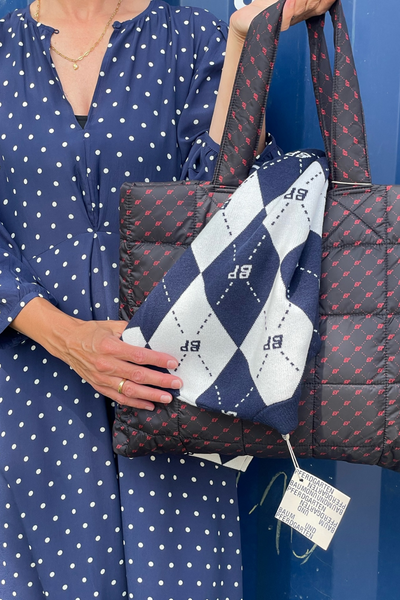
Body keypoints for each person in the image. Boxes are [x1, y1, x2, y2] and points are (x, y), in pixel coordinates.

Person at [0, 0, 335, 598]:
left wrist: (243, 42)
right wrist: (69, 338)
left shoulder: (193, 37)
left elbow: (227, 212)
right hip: (30, 400)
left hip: (176, 394)